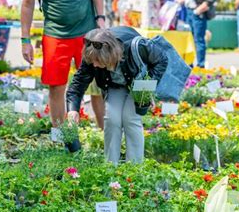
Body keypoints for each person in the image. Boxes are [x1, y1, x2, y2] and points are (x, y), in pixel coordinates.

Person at [20, 0, 106, 136]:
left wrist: (101, 19)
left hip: (87, 32)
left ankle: (105, 133)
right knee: (56, 86)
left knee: (97, 84)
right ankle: (60, 136)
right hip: (55, 34)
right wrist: (25, 40)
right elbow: (27, 3)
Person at [66, 26, 168, 165]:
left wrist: (148, 87)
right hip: (114, 85)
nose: (94, 65)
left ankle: (135, 167)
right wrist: (72, 109)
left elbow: (161, 59)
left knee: (130, 118)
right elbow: (77, 84)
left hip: (137, 83)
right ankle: (110, 166)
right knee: (111, 119)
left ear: (109, 56)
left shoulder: (137, 47)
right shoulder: (92, 53)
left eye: (98, 61)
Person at [178, 0, 215, 68]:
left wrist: (197, 11)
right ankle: (190, 65)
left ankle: (200, 65)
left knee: (199, 40)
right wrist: (182, 1)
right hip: (189, 12)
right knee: (189, 39)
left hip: (197, 14)